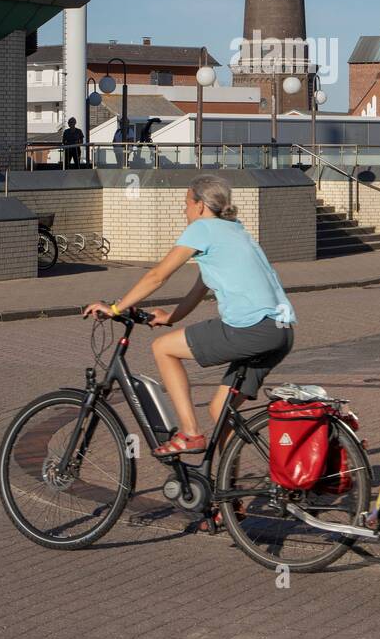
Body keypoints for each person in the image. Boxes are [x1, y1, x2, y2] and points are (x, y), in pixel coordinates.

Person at [83, 174, 295, 458]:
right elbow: (200, 287)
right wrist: (171, 317)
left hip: (251, 328)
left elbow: (157, 276)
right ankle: (231, 493)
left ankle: (190, 434)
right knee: (220, 409)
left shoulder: (203, 229)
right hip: (280, 330)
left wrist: (116, 309)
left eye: (185, 204)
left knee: (163, 348)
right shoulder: (234, 228)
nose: (184, 210)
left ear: (199, 206)